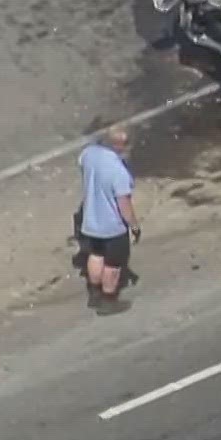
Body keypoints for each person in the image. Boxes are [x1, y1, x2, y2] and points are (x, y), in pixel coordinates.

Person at [76, 125, 140, 314]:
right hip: (112, 227)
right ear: (120, 146)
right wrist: (134, 226)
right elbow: (124, 205)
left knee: (96, 255)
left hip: (91, 222)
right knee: (113, 264)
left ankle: (94, 293)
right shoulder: (118, 171)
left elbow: (82, 166)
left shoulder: (88, 155)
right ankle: (108, 300)